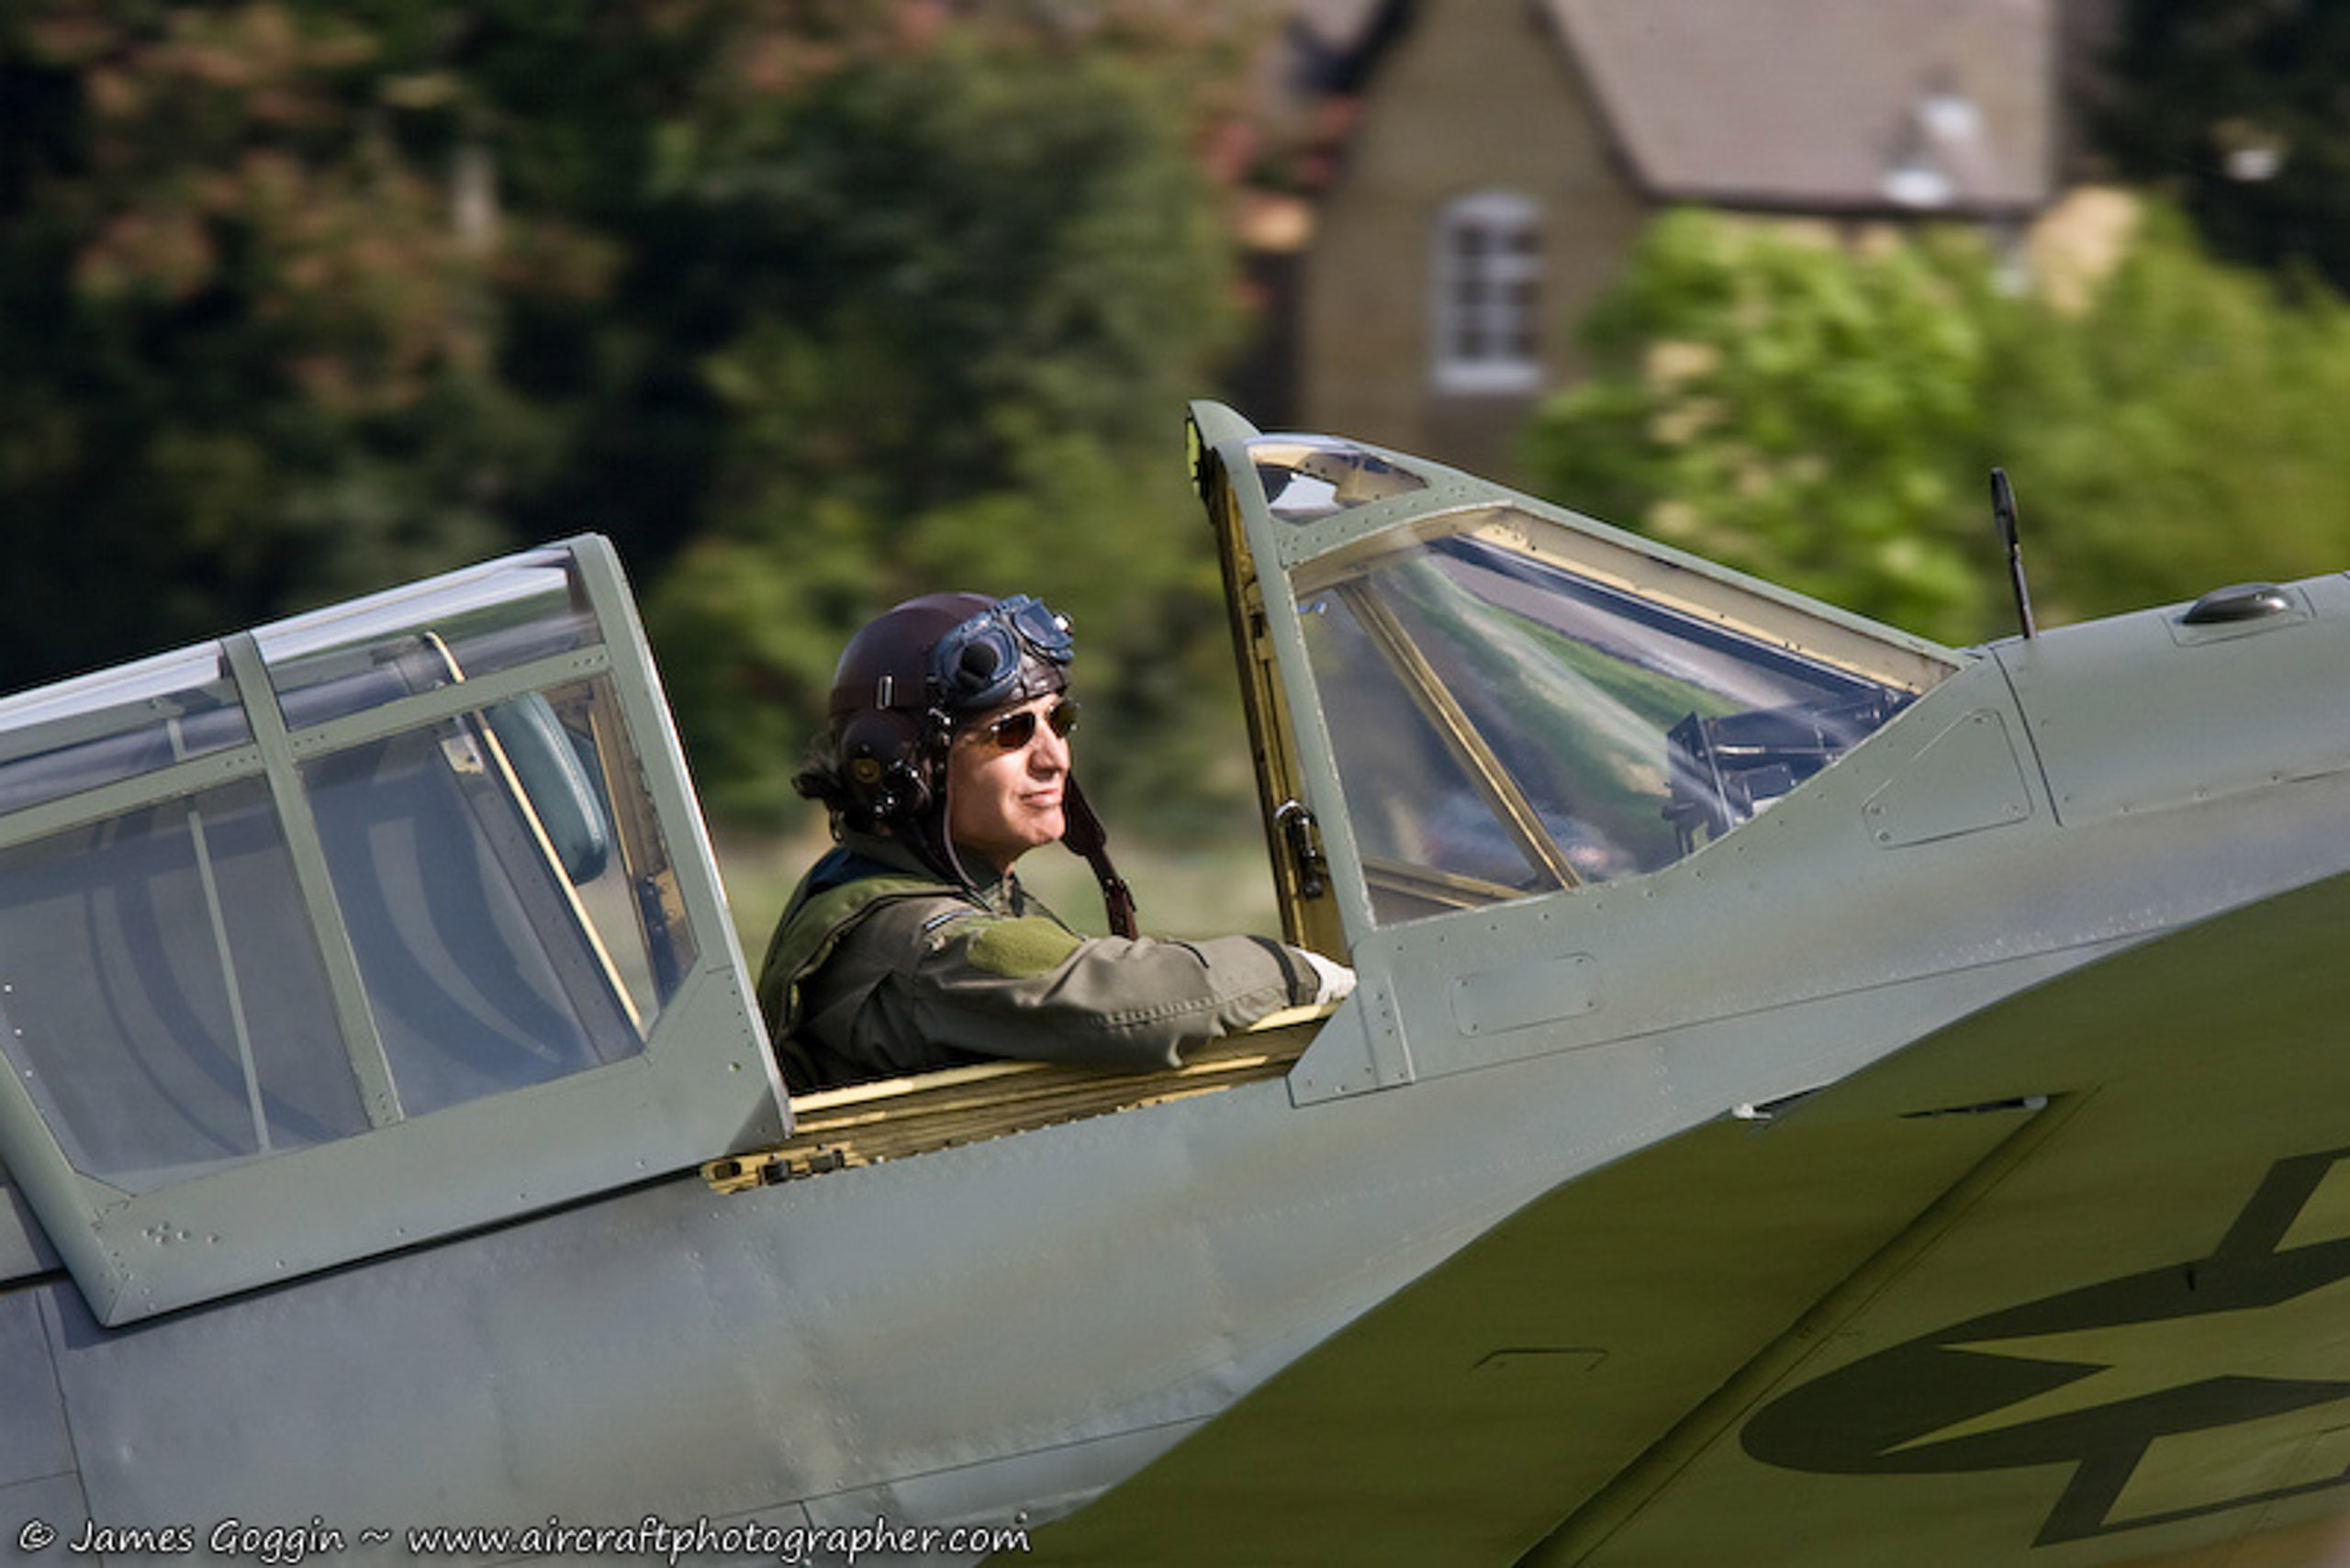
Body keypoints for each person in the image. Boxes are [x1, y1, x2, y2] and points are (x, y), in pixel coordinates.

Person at [757, 590, 1355, 1092]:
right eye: (1012, 732)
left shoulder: (903, 884)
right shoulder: (924, 945)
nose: (1055, 757)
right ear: (902, 768)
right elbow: (1137, 1005)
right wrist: (1301, 972)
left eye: (1059, 721)